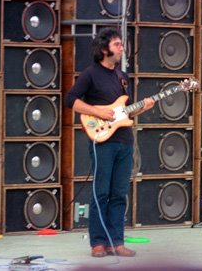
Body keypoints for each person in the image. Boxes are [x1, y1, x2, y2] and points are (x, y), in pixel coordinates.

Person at [65, 27, 154, 258]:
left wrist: (143, 107)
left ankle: (117, 242)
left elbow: (127, 112)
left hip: (124, 141)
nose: (121, 47)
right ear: (105, 49)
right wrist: (98, 112)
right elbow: (71, 100)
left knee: (119, 193)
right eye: (117, 44)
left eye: (120, 44)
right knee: (100, 192)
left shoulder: (122, 77)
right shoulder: (90, 74)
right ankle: (97, 242)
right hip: (103, 141)